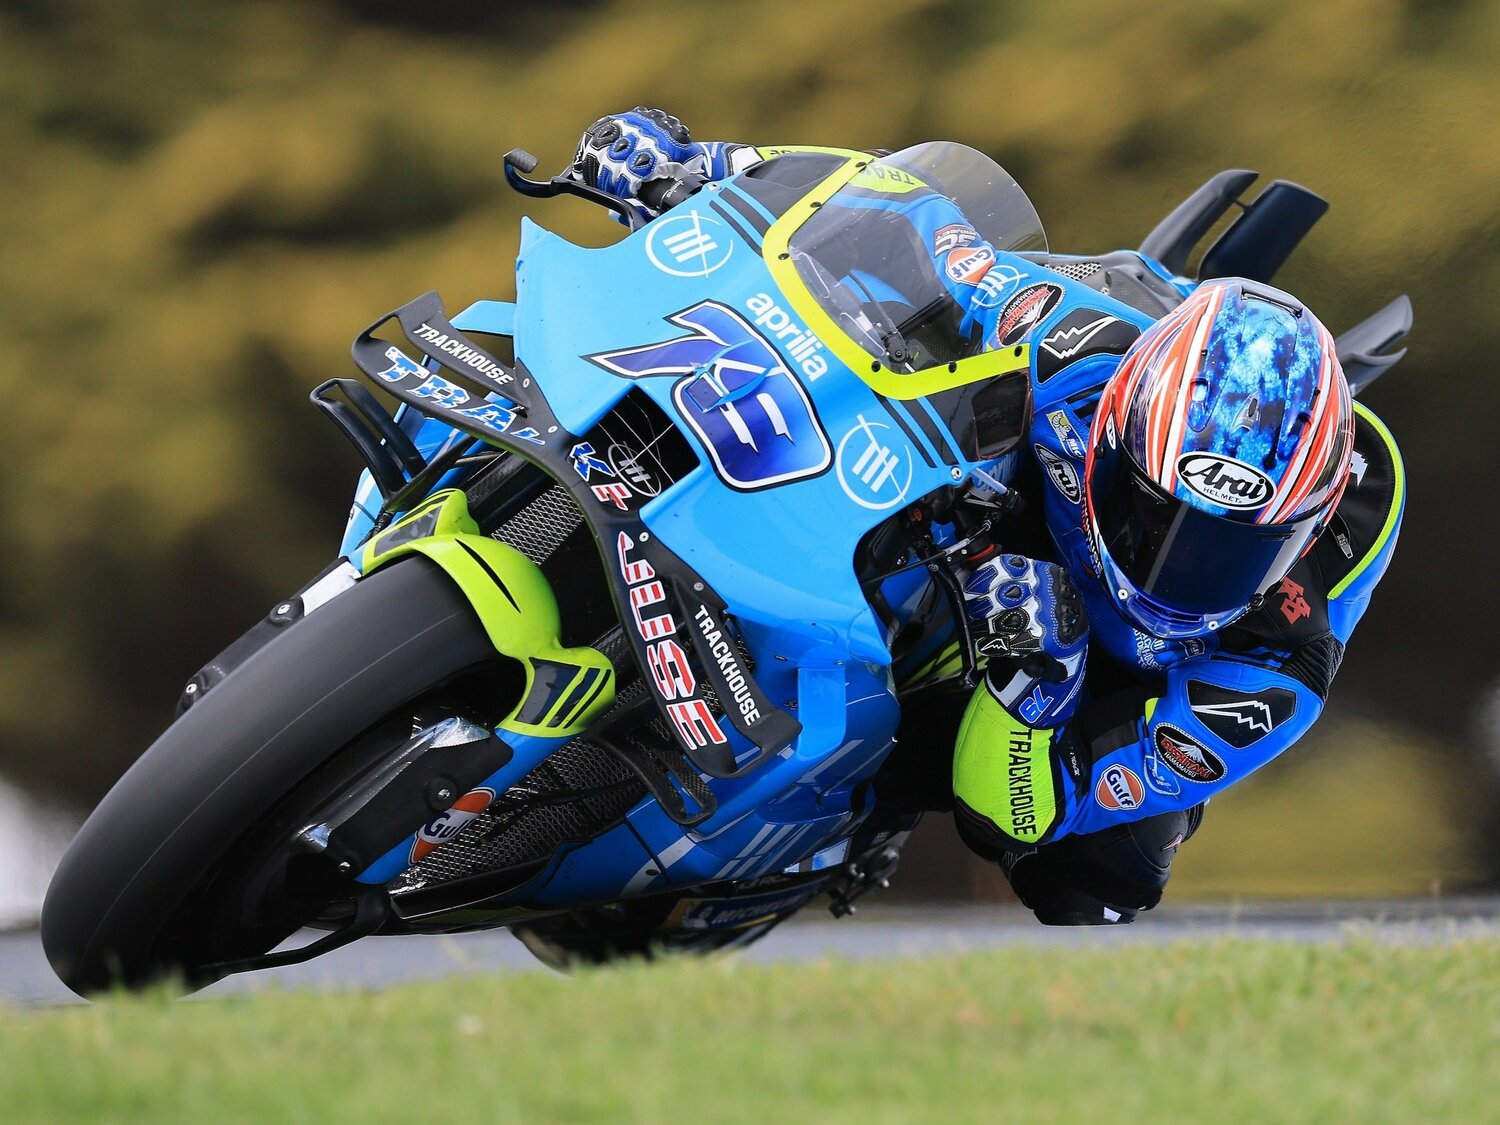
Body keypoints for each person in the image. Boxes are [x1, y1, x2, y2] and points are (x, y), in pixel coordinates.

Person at [570, 109, 1405, 926]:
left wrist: (1038, 683)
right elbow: (906, 212)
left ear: (1299, 533)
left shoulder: (1275, 668)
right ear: (1115, 432)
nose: (1172, 569)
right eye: (1153, 519)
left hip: (1124, 673)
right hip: (1048, 473)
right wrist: (703, 166)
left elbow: (1015, 811)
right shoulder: (1070, 339)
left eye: (1224, 553)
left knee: (1105, 872)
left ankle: (855, 820)